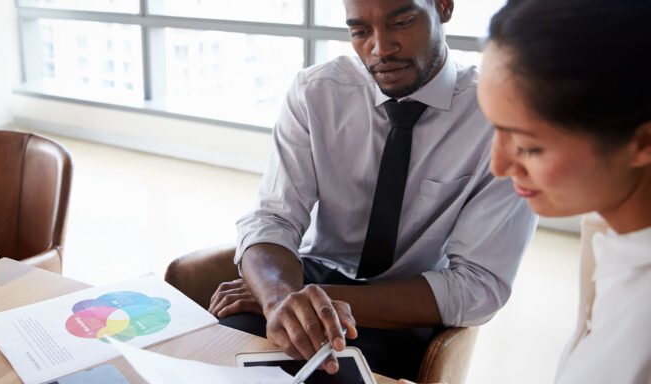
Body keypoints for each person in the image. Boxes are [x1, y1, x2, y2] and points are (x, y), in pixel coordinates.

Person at [167, 0, 536, 380]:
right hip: (307, 281)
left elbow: (478, 286)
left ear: (442, 7)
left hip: (405, 308)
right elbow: (272, 218)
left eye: (403, 21)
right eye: (360, 31)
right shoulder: (316, 92)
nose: (380, 48)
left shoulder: (497, 118)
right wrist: (279, 300)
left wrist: (306, 301)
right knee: (213, 361)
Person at [475, 0, 651, 382]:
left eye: (529, 147)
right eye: (495, 128)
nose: (498, 166)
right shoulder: (610, 230)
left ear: (642, 142)